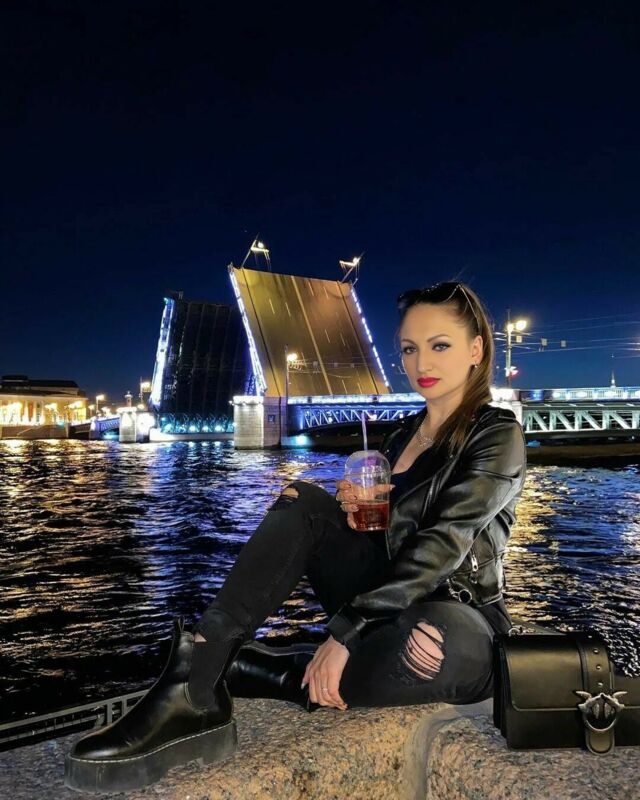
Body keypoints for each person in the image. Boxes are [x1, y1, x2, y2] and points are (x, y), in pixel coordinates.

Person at [64, 281, 527, 793]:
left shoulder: (496, 434)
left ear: (476, 349)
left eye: (439, 345)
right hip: (386, 601)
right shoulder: (399, 435)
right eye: (409, 348)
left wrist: (345, 632)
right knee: (302, 501)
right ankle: (196, 676)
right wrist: (353, 514)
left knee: (432, 648)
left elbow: (443, 543)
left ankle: (268, 671)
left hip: (456, 611)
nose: (422, 362)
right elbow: (386, 543)